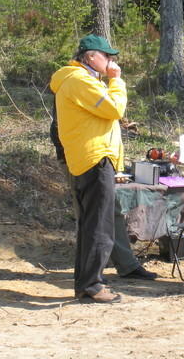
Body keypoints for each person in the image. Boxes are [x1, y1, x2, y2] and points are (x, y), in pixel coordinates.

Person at [49, 34, 127, 303]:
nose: (111, 62)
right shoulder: (80, 80)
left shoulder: (77, 80)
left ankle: (86, 283)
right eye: (107, 57)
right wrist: (116, 80)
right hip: (94, 158)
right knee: (99, 226)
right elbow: (115, 108)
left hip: (87, 157)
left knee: (89, 224)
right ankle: (93, 285)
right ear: (92, 57)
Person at [50, 112, 157, 282]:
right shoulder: (76, 86)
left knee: (110, 209)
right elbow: (62, 127)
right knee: (89, 215)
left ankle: (126, 265)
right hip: (80, 159)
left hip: (99, 158)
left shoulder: (96, 87)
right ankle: (89, 276)